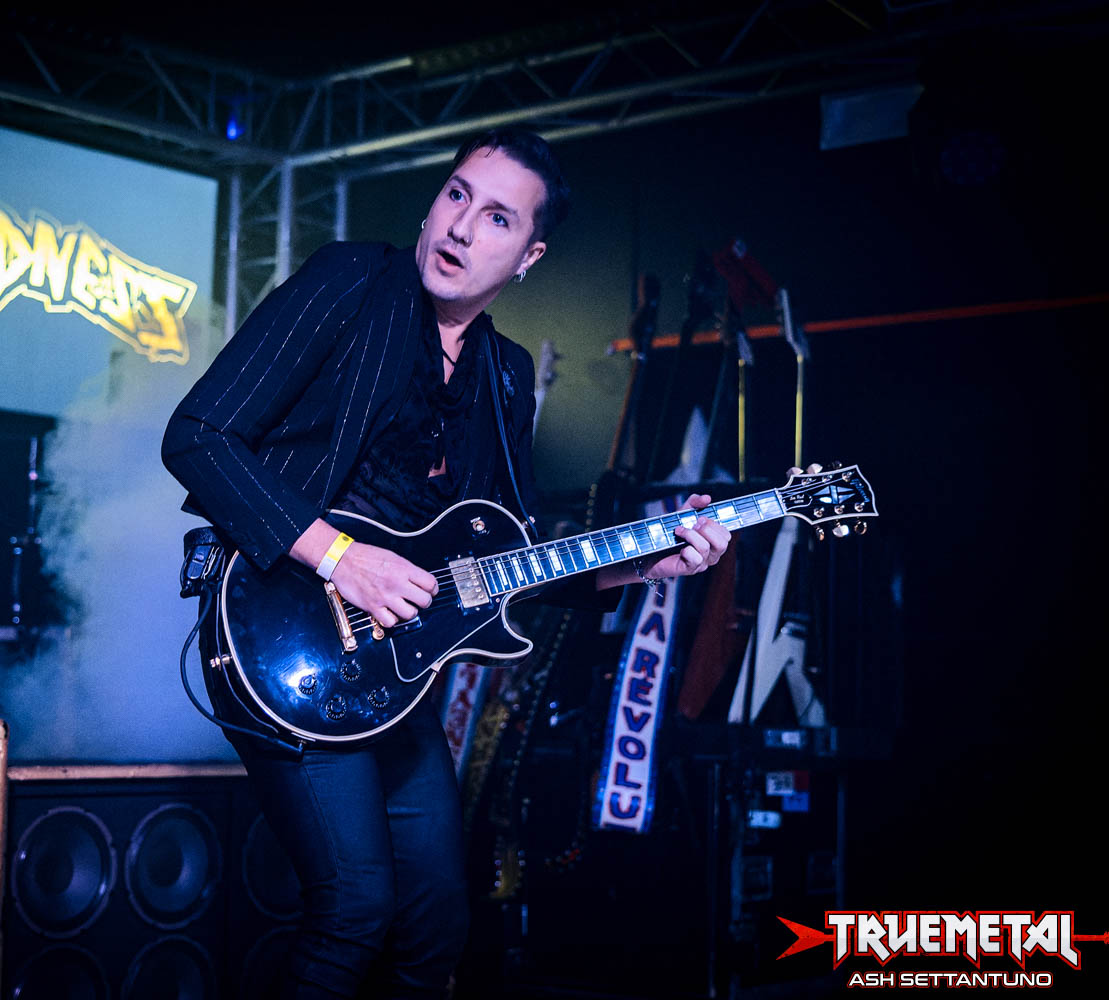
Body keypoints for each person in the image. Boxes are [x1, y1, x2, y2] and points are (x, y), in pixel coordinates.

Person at [162, 129, 731, 999]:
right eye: (457, 194)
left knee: (437, 926)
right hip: (279, 633)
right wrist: (340, 557)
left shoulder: (504, 376)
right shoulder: (352, 282)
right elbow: (198, 435)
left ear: (529, 255)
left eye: (498, 217)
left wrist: (653, 562)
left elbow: (510, 564)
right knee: (354, 909)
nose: (462, 226)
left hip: (397, 666)